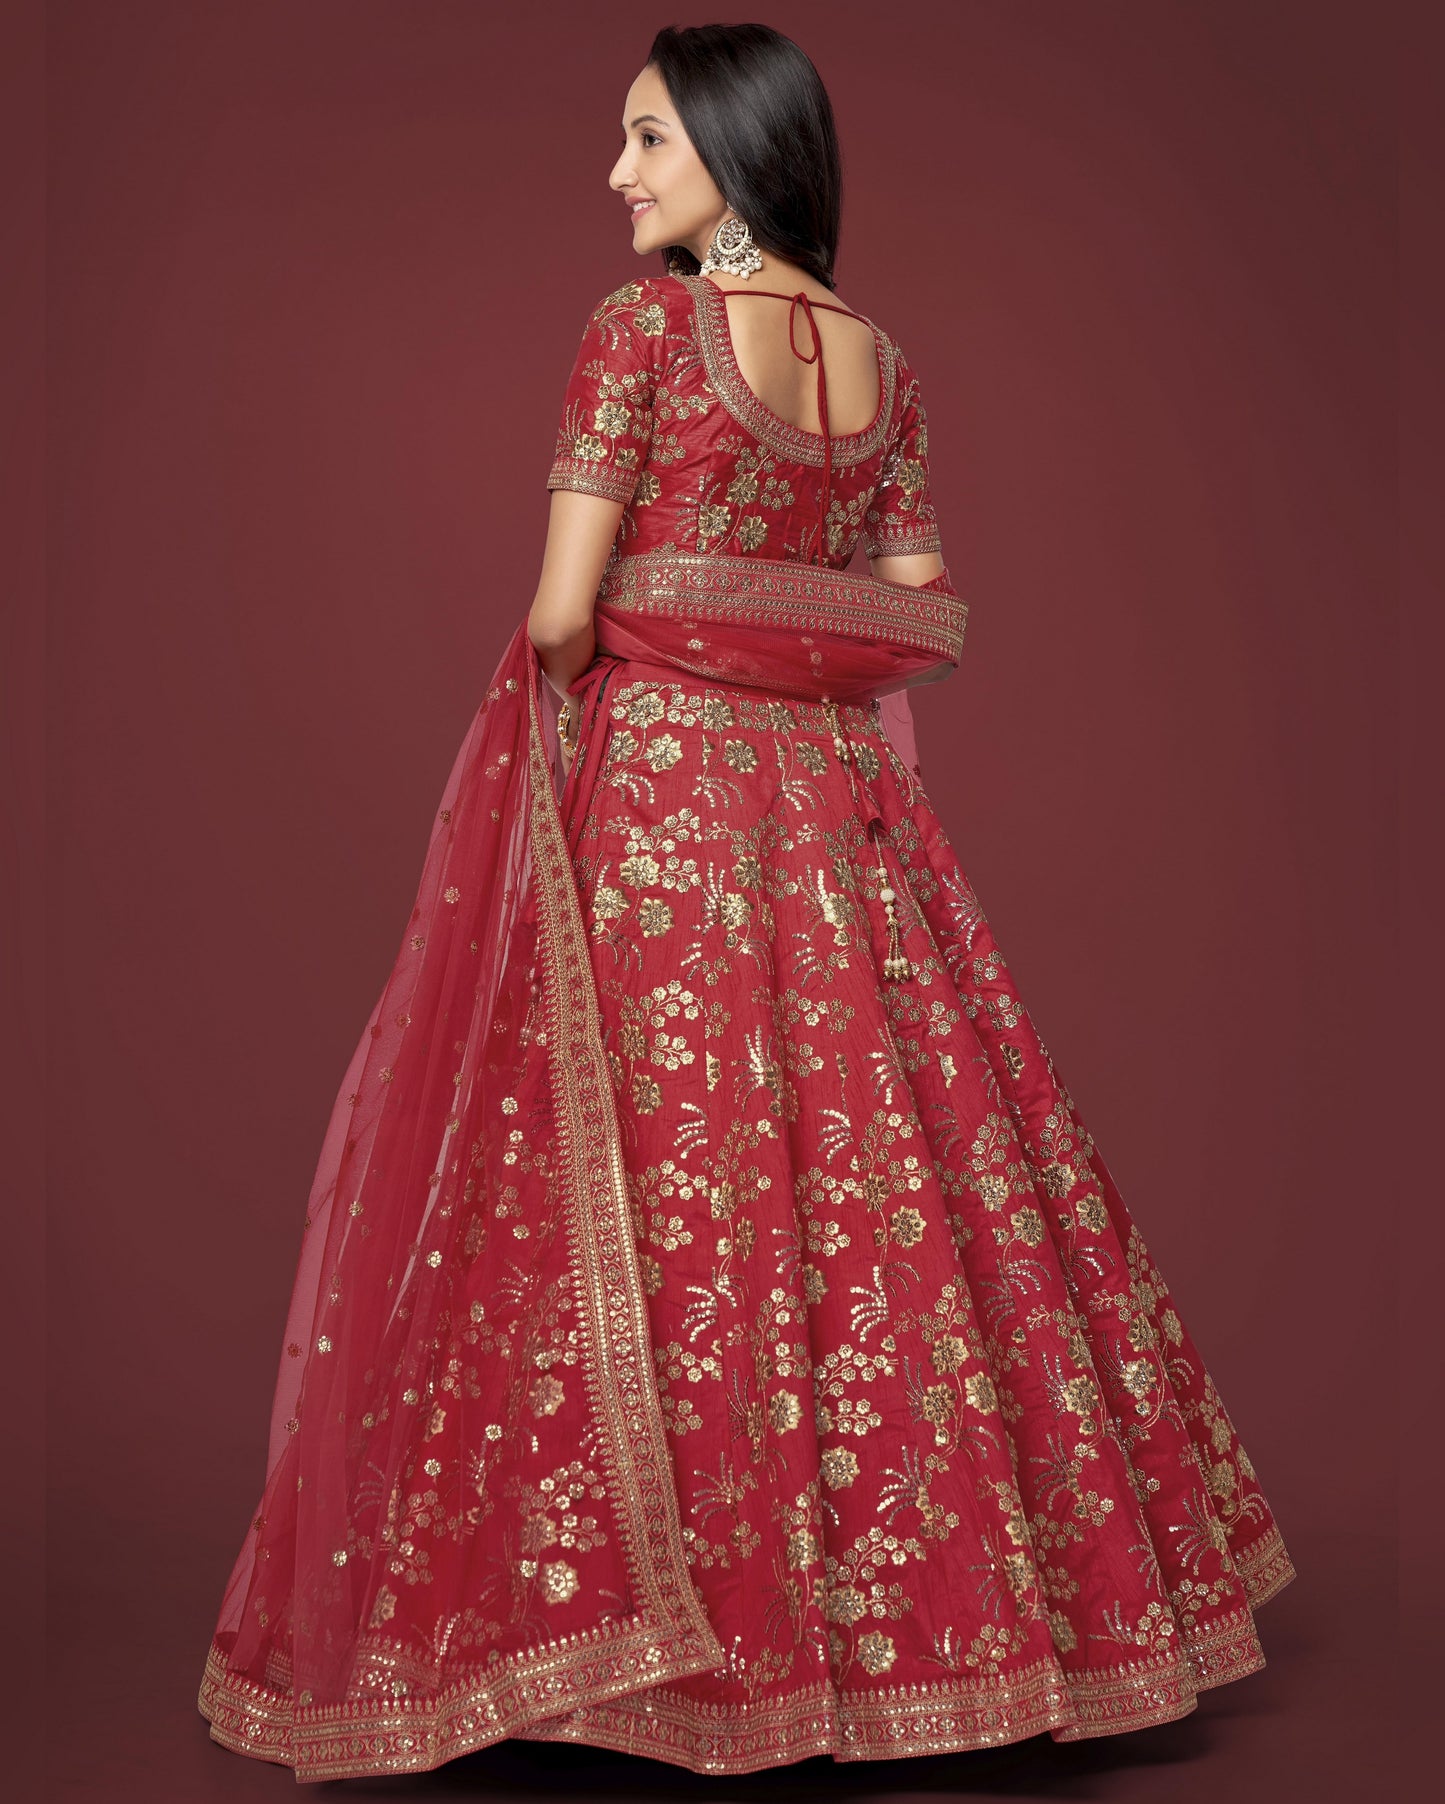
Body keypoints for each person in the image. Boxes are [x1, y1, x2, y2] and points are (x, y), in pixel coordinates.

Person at [196, 23, 1293, 1782]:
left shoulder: (640, 328)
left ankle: (654, 1659)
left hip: (667, 811)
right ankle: (913, 1644)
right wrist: (773, 616)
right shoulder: (878, 355)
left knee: (637, 1183)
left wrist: (662, 614)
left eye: (645, 141)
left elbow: (562, 617)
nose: (618, 177)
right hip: (838, 816)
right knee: (862, 1185)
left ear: (729, 142)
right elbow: (925, 606)